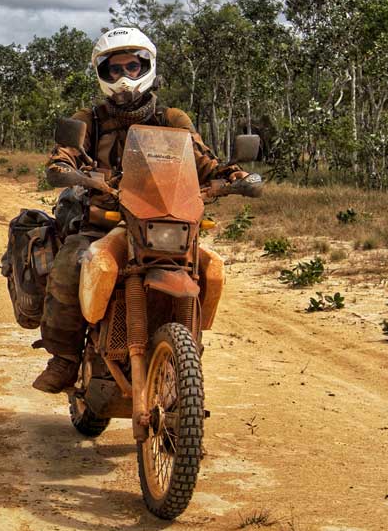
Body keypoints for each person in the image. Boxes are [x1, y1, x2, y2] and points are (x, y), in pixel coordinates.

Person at [32, 27, 253, 393]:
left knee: (207, 270)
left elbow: (203, 160)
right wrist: (66, 169)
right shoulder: (89, 120)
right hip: (105, 222)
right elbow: (64, 156)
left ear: (146, 67)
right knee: (70, 265)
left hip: (163, 220)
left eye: (132, 67)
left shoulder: (172, 119)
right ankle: (65, 358)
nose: (124, 77)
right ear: (103, 73)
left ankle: (185, 352)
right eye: (115, 69)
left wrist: (235, 176)